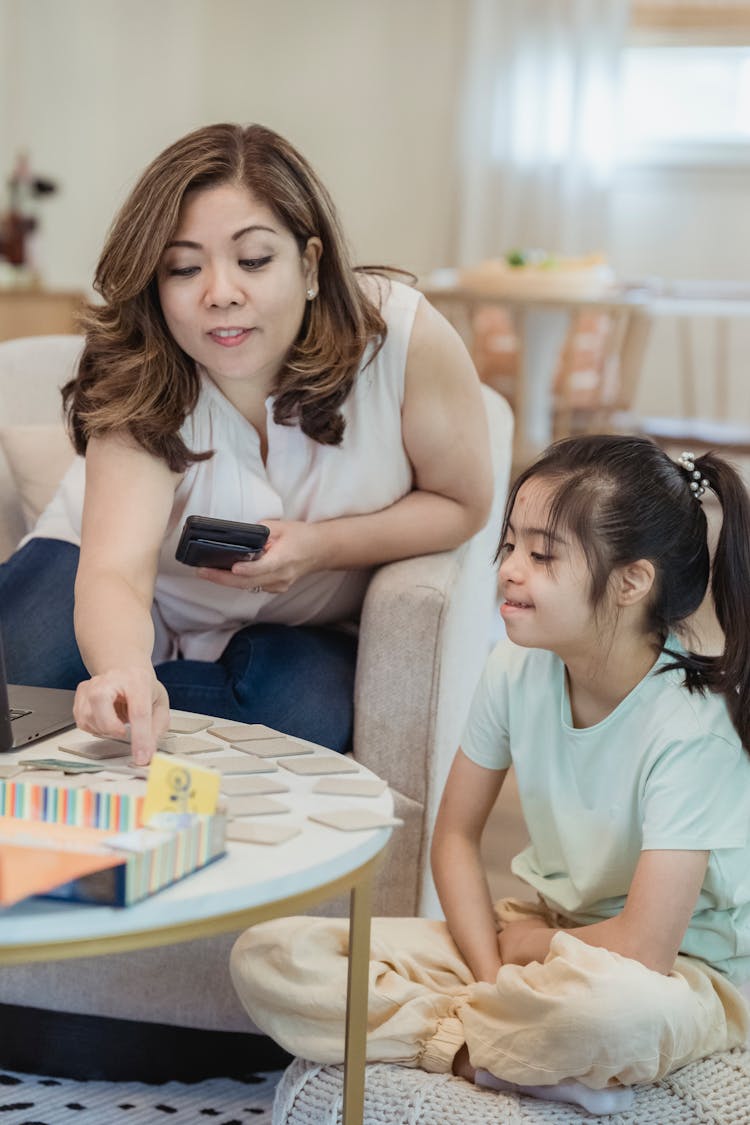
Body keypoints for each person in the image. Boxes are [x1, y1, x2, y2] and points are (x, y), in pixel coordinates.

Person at [230, 435, 750, 1116]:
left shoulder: (691, 725)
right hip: (536, 938)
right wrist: (492, 970)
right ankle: (488, 1051)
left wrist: (529, 949)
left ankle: (508, 1038)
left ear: (631, 581)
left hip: (677, 971)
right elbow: (454, 838)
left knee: (616, 1013)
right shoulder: (515, 668)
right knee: (273, 952)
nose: (508, 569)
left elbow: (644, 946)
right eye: (509, 545)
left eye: (542, 555)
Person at [0, 123, 493, 766]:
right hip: (105, 580)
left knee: (297, 714)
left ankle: (94, 722)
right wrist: (122, 671)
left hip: (295, 622)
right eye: (183, 267)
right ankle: (105, 711)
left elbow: (464, 504)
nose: (221, 293)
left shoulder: (401, 340)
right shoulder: (142, 367)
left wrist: (321, 548)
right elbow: (117, 569)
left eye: (254, 260)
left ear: (310, 264)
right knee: (22, 679)